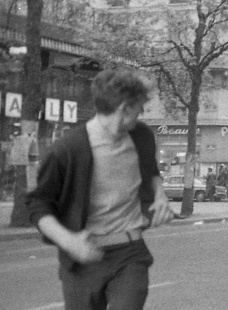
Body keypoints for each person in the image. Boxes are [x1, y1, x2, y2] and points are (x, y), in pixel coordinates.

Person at [25, 69, 175, 310]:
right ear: (125, 108)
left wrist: (160, 196)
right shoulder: (67, 149)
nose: (142, 113)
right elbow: (38, 203)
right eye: (140, 107)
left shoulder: (142, 137)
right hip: (84, 257)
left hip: (130, 253)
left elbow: (151, 170)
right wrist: (68, 241)